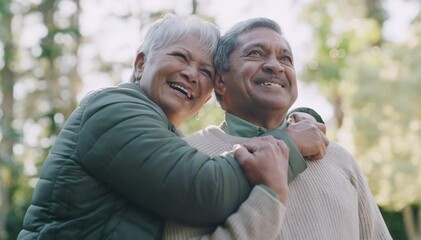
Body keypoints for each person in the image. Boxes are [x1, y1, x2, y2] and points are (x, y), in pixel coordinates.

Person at [17, 14, 327, 240]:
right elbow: (204, 190)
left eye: (205, 70)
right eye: (180, 56)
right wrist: (288, 143)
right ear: (140, 64)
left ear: (210, 95)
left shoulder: (172, 139)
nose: (191, 74)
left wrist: (300, 118)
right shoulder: (112, 108)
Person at [163, 18, 393, 240]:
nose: (275, 65)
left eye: (286, 58)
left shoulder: (339, 158)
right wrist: (268, 197)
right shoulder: (188, 156)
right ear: (220, 81)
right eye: (255, 53)